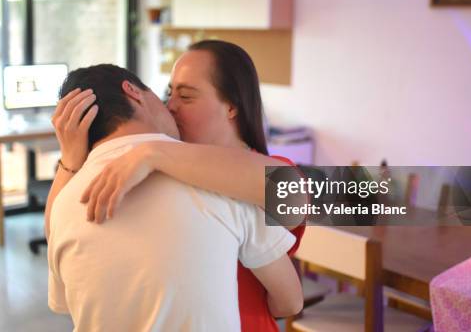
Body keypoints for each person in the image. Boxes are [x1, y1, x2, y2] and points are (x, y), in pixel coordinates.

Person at [47, 40, 307, 332]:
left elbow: (312, 198)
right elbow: (57, 229)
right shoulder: (148, 169)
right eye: (169, 93)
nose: (171, 106)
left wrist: (152, 152)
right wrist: (70, 161)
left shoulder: (253, 174)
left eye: (186, 96)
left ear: (232, 106)